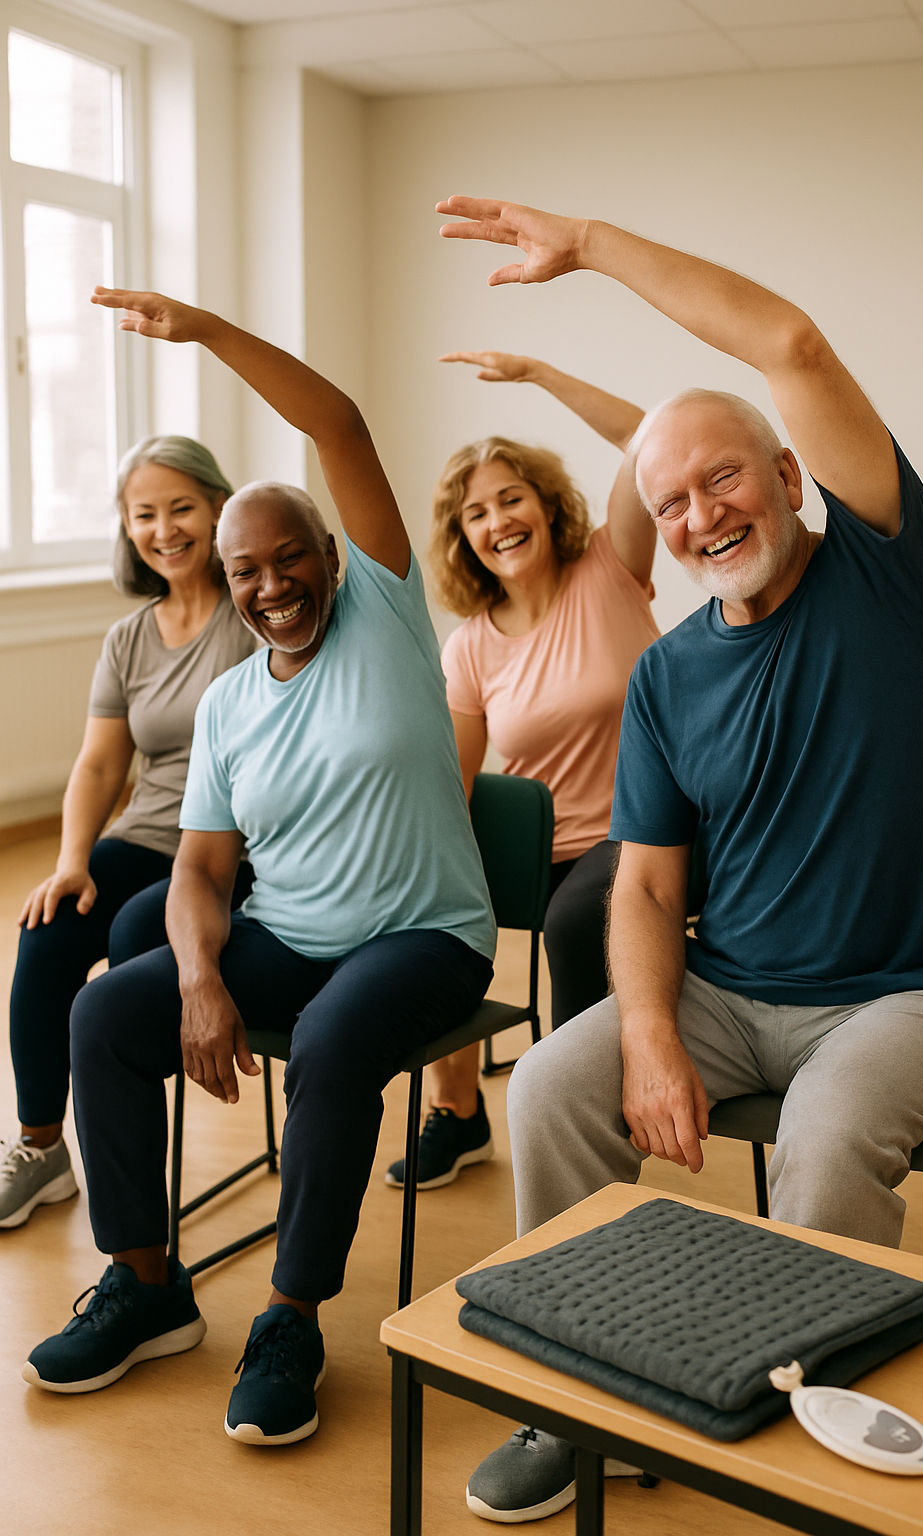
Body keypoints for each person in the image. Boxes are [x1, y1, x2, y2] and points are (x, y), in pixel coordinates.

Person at [436, 195, 923, 1523]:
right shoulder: (669, 675)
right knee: (546, 1091)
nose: (698, 515)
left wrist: (588, 248)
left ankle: (809, 1420)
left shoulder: (886, 569)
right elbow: (643, 885)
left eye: (725, 478)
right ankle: (569, 1402)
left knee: (820, 1143)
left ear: (793, 477)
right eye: (669, 500)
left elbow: (791, 342)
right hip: (729, 990)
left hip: (911, 996)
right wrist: (644, 1029)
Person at [21, 287, 496, 1447]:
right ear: (227, 582)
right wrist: (197, 975)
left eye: (292, 560)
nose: (272, 584)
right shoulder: (232, 701)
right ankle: (145, 1285)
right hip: (286, 931)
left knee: (335, 1041)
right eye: (249, 571)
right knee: (107, 1016)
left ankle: (290, 1318)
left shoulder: (384, 614)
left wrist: (211, 336)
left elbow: (340, 427)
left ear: (333, 557)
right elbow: (197, 872)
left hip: (424, 934)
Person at [385, 350, 658, 1191]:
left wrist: (541, 377)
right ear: (462, 537)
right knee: (428, 903)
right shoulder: (469, 646)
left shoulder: (612, 568)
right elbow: (453, 785)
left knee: (576, 924)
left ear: (546, 505)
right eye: (476, 512)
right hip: (543, 852)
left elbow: (652, 440)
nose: (498, 520)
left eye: (512, 498)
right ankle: (457, 1114)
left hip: (643, 835)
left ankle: (584, 1125)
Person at [1, 437, 259, 1231]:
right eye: (144, 513)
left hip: (236, 849)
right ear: (126, 527)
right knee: (48, 931)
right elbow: (98, 766)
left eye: (181, 507)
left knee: (135, 928)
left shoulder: (254, 608)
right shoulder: (129, 638)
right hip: (149, 833)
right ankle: (41, 1148)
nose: (165, 528)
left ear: (220, 507)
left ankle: (135, 1217)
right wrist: (71, 861)